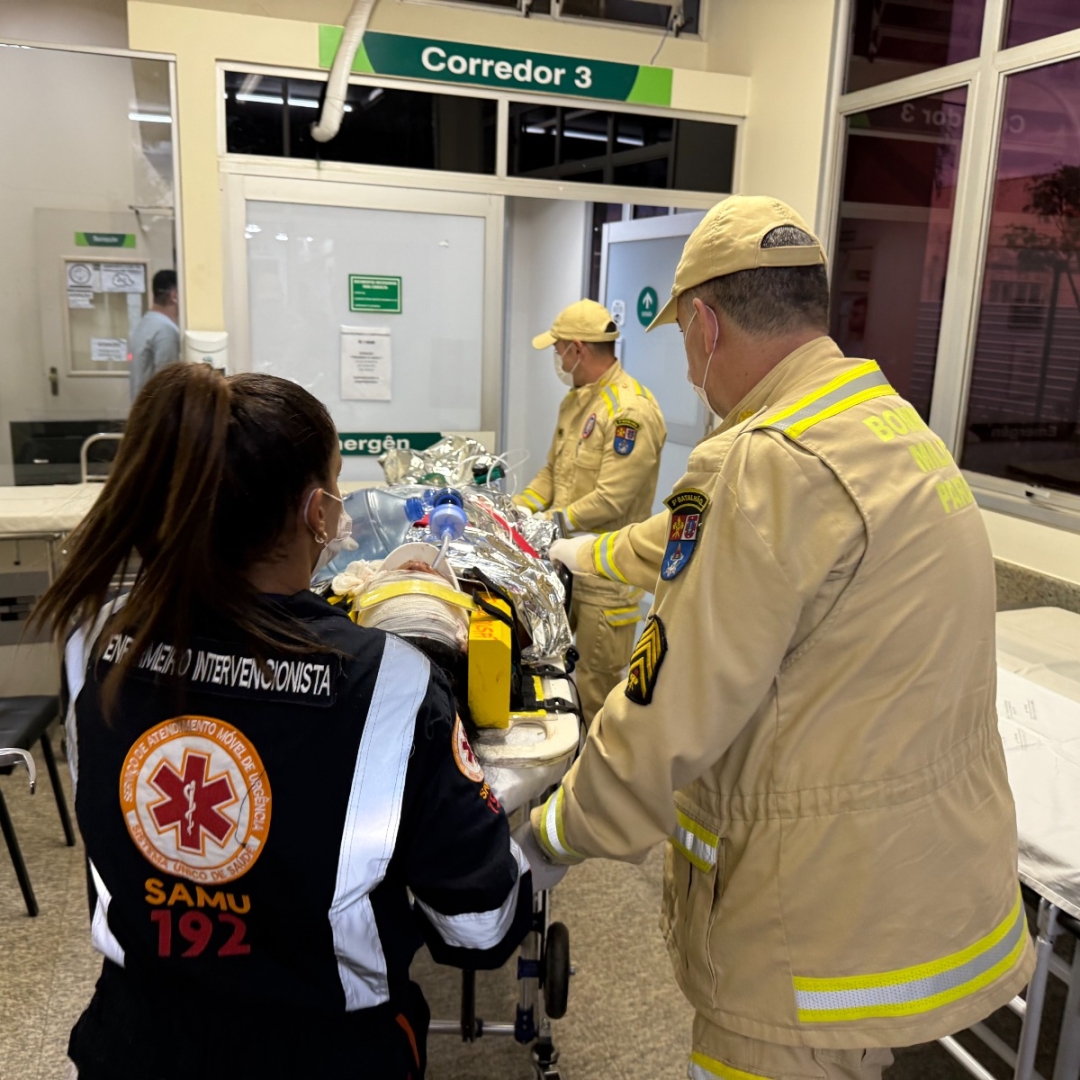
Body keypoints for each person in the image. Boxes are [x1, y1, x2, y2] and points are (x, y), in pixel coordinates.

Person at [536, 196, 1034, 1080]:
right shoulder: (890, 428)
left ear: (707, 325)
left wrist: (547, 835)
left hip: (810, 924)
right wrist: (576, 549)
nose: (691, 369)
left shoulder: (757, 461)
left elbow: (665, 709)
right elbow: (689, 546)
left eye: (687, 339)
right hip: (917, 882)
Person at [32, 364, 535, 1080]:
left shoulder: (99, 642)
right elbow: (479, 927)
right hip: (325, 1050)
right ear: (315, 513)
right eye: (335, 489)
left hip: (137, 1045)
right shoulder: (389, 683)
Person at [514, 299, 666, 726]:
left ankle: (592, 782)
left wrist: (551, 521)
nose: (557, 360)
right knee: (555, 670)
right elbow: (552, 470)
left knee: (596, 687)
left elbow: (611, 499)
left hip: (607, 575)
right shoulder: (576, 402)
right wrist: (521, 507)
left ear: (577, 350)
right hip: (565, 563)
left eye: (558, 349)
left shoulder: (629, 412)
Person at [128, 269, 180, 400]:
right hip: (156, 413)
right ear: (174, 296)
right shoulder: (166, 330)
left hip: (141, 407)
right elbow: (168, 381)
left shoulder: (144, 324)